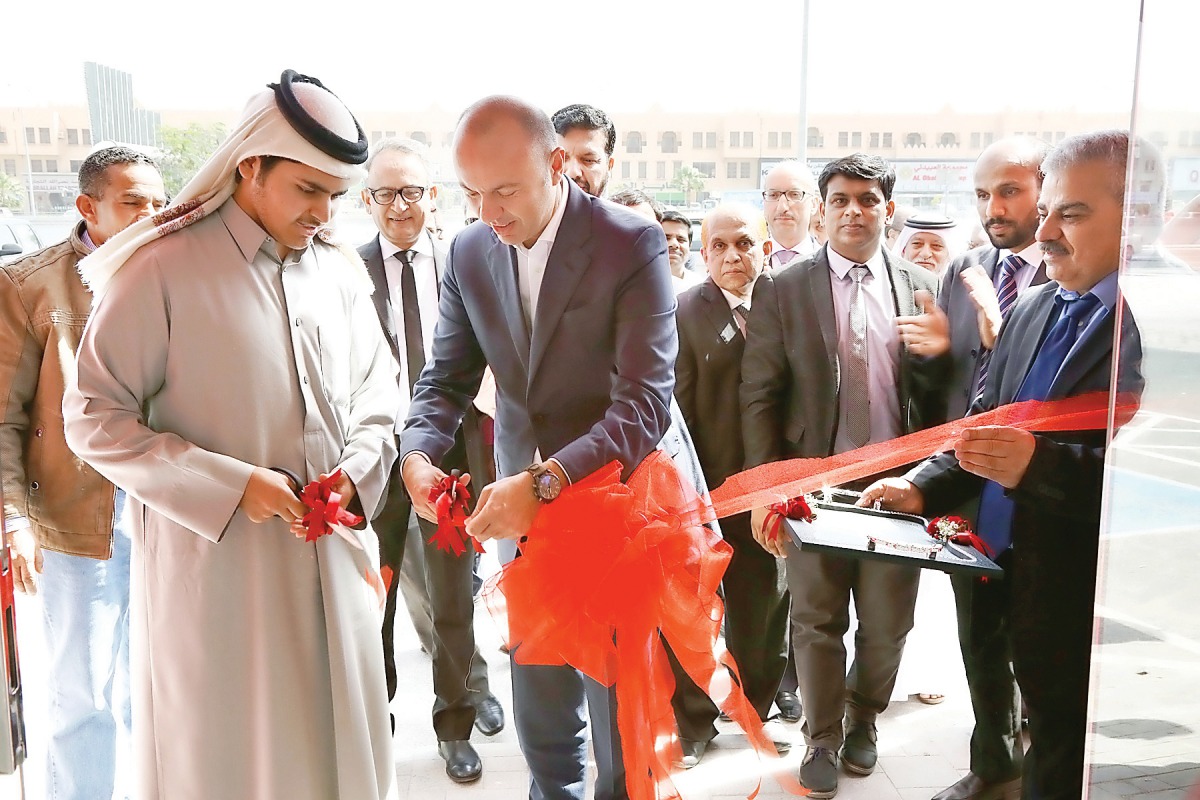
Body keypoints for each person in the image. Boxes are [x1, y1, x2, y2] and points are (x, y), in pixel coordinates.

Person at [61, 71, 400, 800]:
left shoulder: (339, 271)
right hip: (222, 579)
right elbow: (92, 416)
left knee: (342, 750)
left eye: (335, 196)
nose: (322, 212)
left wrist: (361, 464)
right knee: (232, 757)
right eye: (307, 190)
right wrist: (231, 485)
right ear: (251, 165)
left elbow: (380, 388)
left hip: (334, 558)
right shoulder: (161, 268)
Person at [399, 95, 676, 800]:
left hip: (610, 507)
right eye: (471, 194)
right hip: (520, 526)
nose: (489, 213)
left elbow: (645, 404)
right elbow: (445, 380)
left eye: (504, 191)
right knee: (541, 707)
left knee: (617, 714)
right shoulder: (467, 251)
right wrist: (418, 456)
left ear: (557, 165)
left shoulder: (628, 243)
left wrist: (547, 481)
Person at [861, 130, 1147, 800]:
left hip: (1088, 603)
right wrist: (916, 486)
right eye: (1045, 210)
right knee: (1038, 730)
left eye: (1068, 214)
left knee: (1068, 751)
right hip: (1000, 562)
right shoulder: (1038, 306)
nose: (1043, 231)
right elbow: (982, 423)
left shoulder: (1161, 330)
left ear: (1136, 216)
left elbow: (1159, 489)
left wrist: (1040, 467)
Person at [740, 153, 941, 798]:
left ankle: (865, 716)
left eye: (868, 200)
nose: (855, 211)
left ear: (888, 208)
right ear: (822, 211)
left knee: (887, 623)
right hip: (814, 490)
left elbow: (943, 396)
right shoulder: (784, 288)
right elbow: (760, 394)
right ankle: (822, 737)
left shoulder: (918, 286)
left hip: (897, 487)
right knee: (816, 618)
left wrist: (947, 350)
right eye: (841, 200)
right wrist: (766, 489)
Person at [0, 145, 165, 800]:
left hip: (169, 514)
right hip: (77, 521)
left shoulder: (175, 273)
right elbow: (5, 417)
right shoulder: (32, 285)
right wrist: (15, 519)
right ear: (87, 206)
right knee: (86, 693)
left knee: (156, 689)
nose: (152, 215)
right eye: (133, 202)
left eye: (159, 201)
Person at [891, 136, 1052, 799]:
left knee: (1036, 645)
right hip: (965, 487)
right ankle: (994, 768)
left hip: (1040, 496)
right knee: (979, 637)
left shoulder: (1069, 278)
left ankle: (1040, 766)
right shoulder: (964, 271)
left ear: (1046, 187)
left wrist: (998, 330)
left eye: (1010, 191)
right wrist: (938, 355)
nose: (994, 207)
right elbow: (956, 398)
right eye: (983, 195)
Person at [357, 137, 504, 784]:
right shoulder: (344, 270)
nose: (399, 205)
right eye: (385, 192)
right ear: (367, 201)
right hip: (375, 461)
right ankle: (376, 725)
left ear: (432, 196)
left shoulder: (464, 263)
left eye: (411, 190)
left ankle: (456, 726)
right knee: (375, 603)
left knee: (453, 600)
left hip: (453, 457)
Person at [672, 204, 788, 768]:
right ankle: (693, 721)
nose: (732, 257)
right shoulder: (685, 312)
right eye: (718, 246)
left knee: (765, 603)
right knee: (700, 607)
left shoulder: (783, 302)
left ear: (764, 245)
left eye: (743, 243)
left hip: (770, 488)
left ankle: (757, 711)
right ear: (703, 254)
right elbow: (679, 410)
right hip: (707, 488)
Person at [762, 160, 821, 269]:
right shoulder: (749, 263)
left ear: (814, 204)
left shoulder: (830, 265)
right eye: (773, 195)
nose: (782, 207)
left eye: (794, 195)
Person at [551, 103, 615, 197]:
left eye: (588, 160)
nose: (573, 173)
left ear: (609, 166)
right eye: (561, 159)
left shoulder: (627, 211)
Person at [891, 212, 967, 275]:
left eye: (936, 246)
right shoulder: (887, 288)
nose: (925, 254)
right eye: (917, 244)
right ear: (903, 250)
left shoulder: (961, 291)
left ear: (949, 254)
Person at [661, 208, 704, 292]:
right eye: (666, 238)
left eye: (681, 239)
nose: (674, 244)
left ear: (690, 245)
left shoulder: (700, 287)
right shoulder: (638, 286)